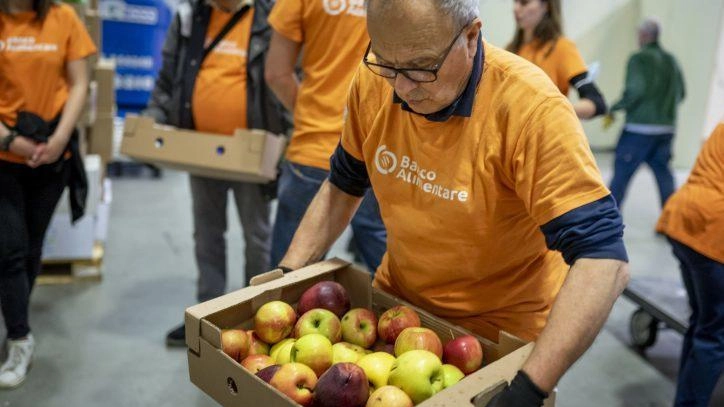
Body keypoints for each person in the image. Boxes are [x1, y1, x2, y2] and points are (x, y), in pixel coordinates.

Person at [278, 0, 630, 405]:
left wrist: (528, 389)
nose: (403, 87)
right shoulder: (375, 80)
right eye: (387, 63)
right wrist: (287, 277)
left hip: (498, 338)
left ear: (471, 35)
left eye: (421, 67)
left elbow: (605, 260)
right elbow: (343, 185)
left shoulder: (530, 109)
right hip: (398, 315)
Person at [144, 0, 289, 347]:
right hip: (201, 150)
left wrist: (289, 141)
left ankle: (258, 320)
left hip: (251, 152)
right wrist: (152, 120)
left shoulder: (270, 17)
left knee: (256, 237)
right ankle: (206, 316)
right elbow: (169, 77)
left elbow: (288, 78)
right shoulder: (191, 16)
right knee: (207, 235)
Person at [0, 0, 96, 387]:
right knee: (9, 248)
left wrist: (58, 140)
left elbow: (79, 83)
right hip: (4, 154)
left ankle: (16, 313)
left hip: (51, 156)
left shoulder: (63, 18)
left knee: (32, 245)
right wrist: (9, 140)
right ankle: (20, 338)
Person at [264, 0, 387, 273]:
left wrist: (310, 113)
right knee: (386, 265)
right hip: (377, 147)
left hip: (313, 143)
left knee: (289, 275)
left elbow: (276, 73)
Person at [656, 123, 724, 407]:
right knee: (715, 332)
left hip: (682, 219)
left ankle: (685, 399)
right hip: (712, 230)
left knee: (702, 322)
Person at [608, 18, 685, 209]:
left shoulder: (638, 58)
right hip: (666, 129)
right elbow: (681, 93)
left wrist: (615, 107)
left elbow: (636, 90)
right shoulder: (671, 60)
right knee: (664, 175)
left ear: (643, 35)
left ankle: (607, 223)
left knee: (621, 175)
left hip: (638, 130)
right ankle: (669, 222)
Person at [507, 0, 606, 120]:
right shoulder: (510, 50)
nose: (516, 8)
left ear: (546, 6)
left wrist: (552, 110)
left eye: (524, 2)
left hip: (544, 133)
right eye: (515, 2)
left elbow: (597, 102)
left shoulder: (561, 48)